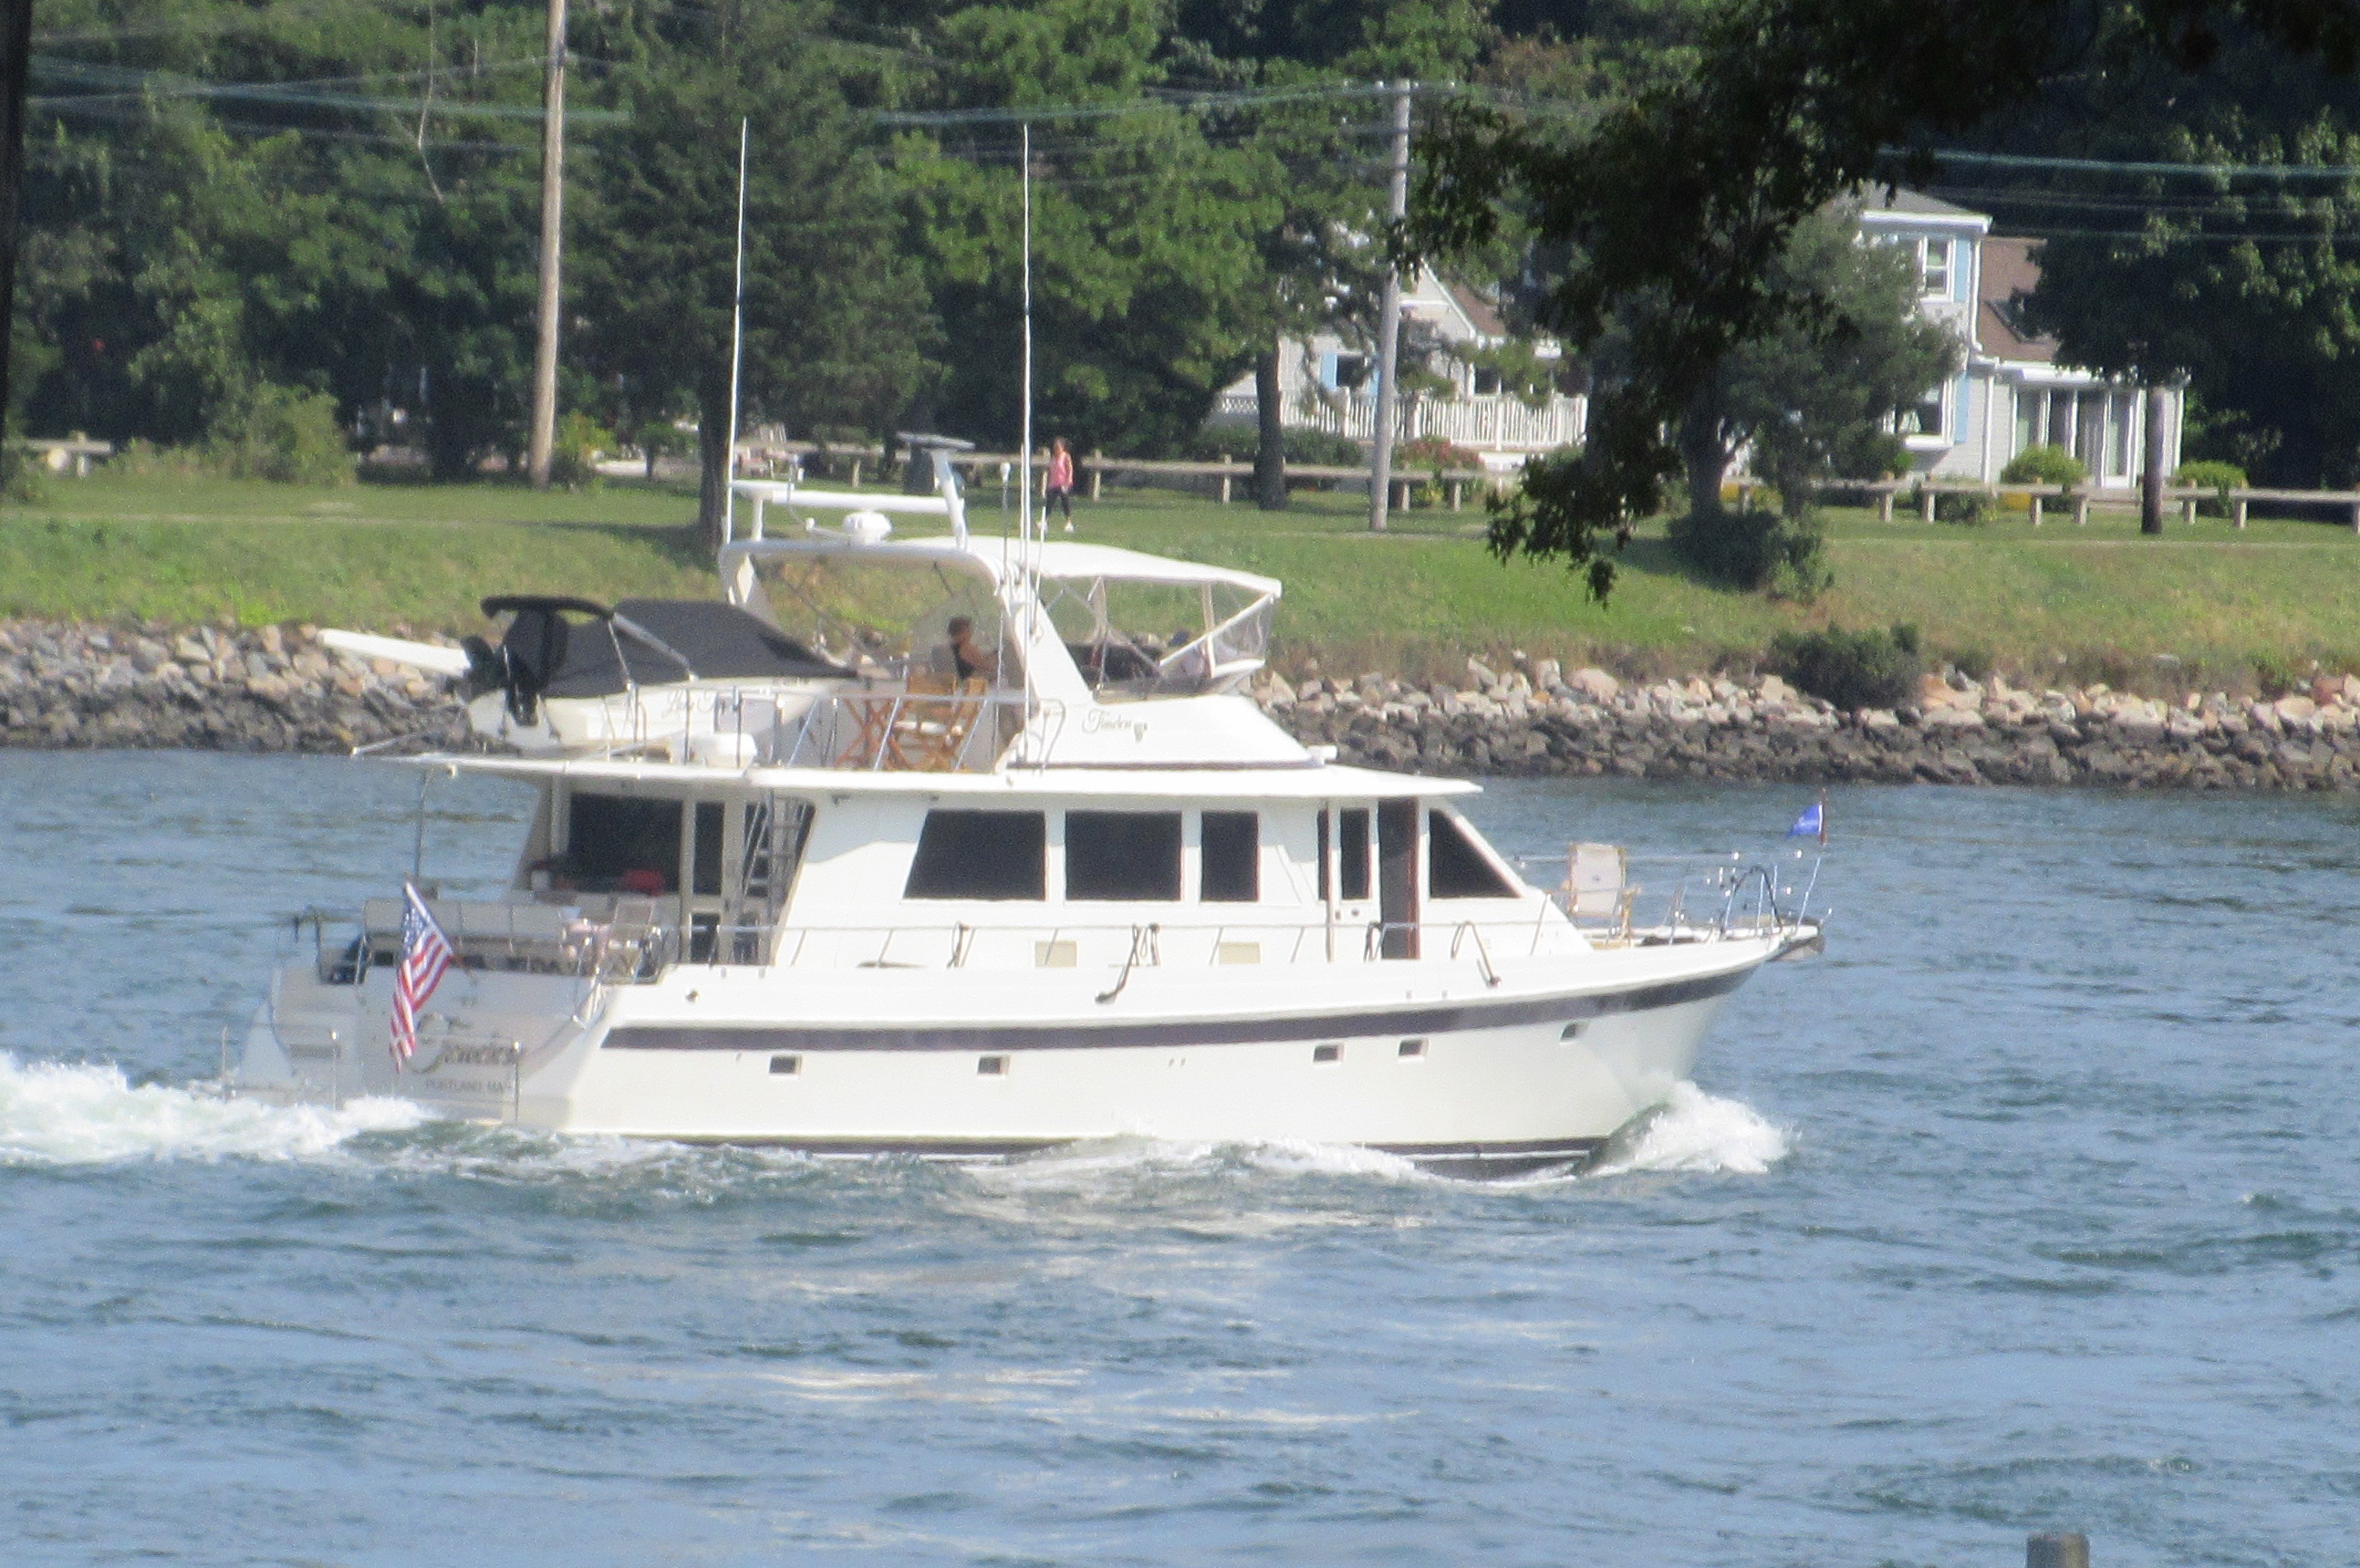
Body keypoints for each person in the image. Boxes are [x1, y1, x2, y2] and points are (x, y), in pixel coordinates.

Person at [942, 616, 997, 684]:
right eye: (968, 630)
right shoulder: (967, 648)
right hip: (969, 684)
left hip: (950, 683)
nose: (971, 633)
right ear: (964, 632)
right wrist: (993, 659)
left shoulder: (946, 649)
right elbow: (986, 668)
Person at [1045, 437, 1076, 532]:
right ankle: (1045, 521)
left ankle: (1068, 523)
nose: (1056, 448)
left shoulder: (1066, 456)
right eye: (1055, 446)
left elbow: (1070, 469)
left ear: (1062, 447)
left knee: (1065, 503)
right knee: (1049, 503)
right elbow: (1051, 470)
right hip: (1053, 484)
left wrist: (1068, 481)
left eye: (1058, 446)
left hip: (1063, 484)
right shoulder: (1053, 457)